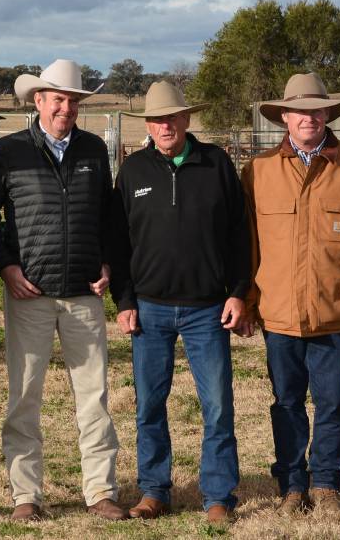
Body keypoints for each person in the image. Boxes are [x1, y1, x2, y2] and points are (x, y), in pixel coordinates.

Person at [0, 59, 130, 522]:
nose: (66, 108)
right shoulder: (9, 153)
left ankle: (101, 492)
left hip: (84, 293)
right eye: (58, 99)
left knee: (94, 397)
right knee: (25, 396)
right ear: (38, 101)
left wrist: (105, 261)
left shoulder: (92, 150)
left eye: (73, 101)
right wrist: (6, 266)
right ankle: (26, 496)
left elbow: (106, 214)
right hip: (31, 293)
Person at [242, 72, 340, 515]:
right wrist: (248, 304)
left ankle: (327, 483)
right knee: (287, 402)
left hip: (336, 312)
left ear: (328, 113)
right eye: (299, 111)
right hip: (278, 313)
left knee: (331, 401)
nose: (308, 117)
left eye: (316, 110)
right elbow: (246, 244)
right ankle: (292, 484)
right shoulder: (258, 171)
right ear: (284, 117)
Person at [112, 80, 251, 526]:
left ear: (188, 119)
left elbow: (239, 234)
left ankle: (217, 495)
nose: (164, 125)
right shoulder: (133, 171)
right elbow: (119, 243)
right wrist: (124, 300)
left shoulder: (216, 164)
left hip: (208, 309)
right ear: (147, 125)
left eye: (172, 117)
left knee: (217, 405)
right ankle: (154, 491)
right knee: (149, 405)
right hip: (149, 310)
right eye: (156, 119)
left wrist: (237, 291)